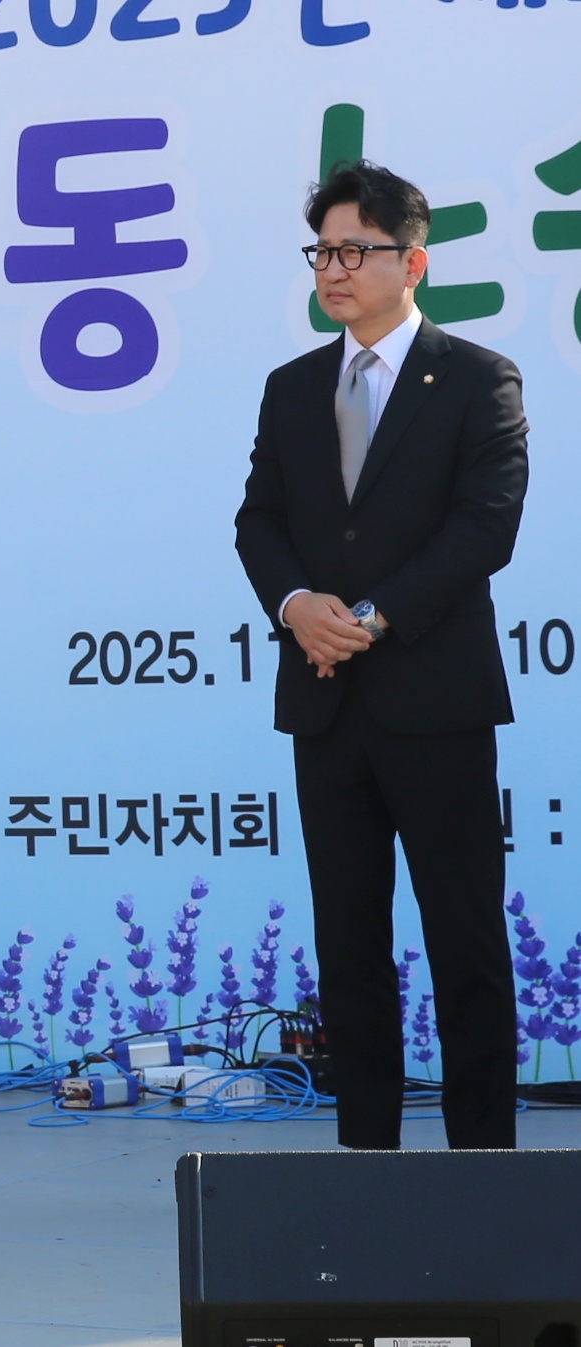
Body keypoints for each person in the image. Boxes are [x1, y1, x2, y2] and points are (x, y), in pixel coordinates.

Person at [234, 161, 528, 1150]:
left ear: (414, 260)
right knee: (349, 949)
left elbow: (484, 529)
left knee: (467, 947)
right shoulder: (293, 389)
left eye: (354, 250)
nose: (333, 268)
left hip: (436, 704)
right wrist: (295, 604)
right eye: (322, 250)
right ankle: (367, 1164)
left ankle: (484, 1166)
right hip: (326, 710)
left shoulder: (478, 379)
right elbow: (259, 521)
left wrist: (369, 616)